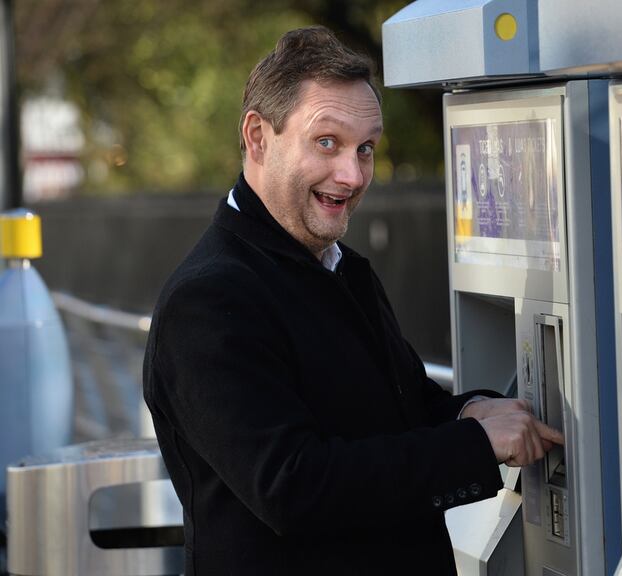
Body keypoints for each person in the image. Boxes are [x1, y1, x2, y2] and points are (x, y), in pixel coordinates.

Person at [143, 26, 562, 575]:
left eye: (365, 148)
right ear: (257, 137)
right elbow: (292, 487)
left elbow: (402, 406)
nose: (352, 174)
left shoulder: (343, 267)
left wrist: (468, 410)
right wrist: (474, 445)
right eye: (327, 143)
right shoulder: (207, 299)